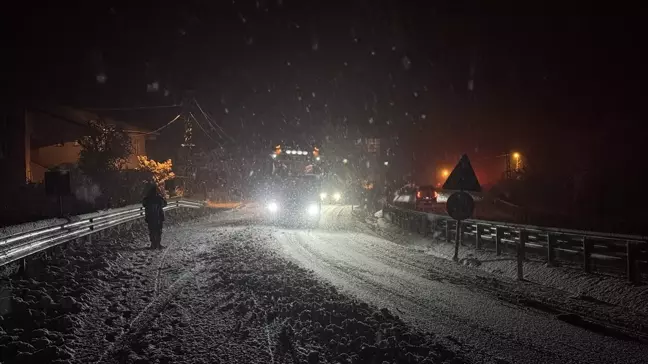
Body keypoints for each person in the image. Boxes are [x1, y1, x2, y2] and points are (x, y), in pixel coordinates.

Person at [143, 184, 167, 249]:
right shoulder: (159, 198)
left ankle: (153, 244)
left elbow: (144, 204)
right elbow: (165, 204)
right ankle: (158, 244)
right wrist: (162, 196)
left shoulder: (147, 199)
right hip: (158, 217)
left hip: (150, 217)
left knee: (152, 231)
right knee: (158, 231)